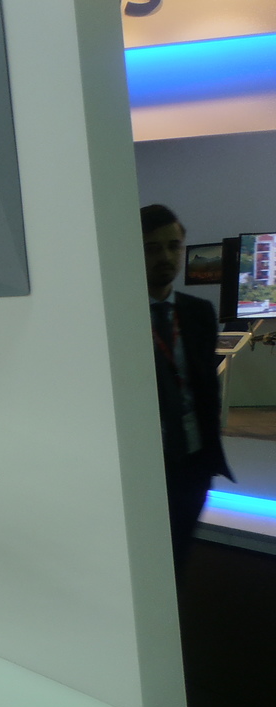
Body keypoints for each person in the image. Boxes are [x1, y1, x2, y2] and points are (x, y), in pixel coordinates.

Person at [141, 204, 232, 576]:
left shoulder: (199, 312)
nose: (165, 256)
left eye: (173, 246)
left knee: (177, 558)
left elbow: (206, 387)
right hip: (143, 467)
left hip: (194, 465)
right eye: (152, 248)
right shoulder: (114, 315)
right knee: (144, 561)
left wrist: (208, 462)